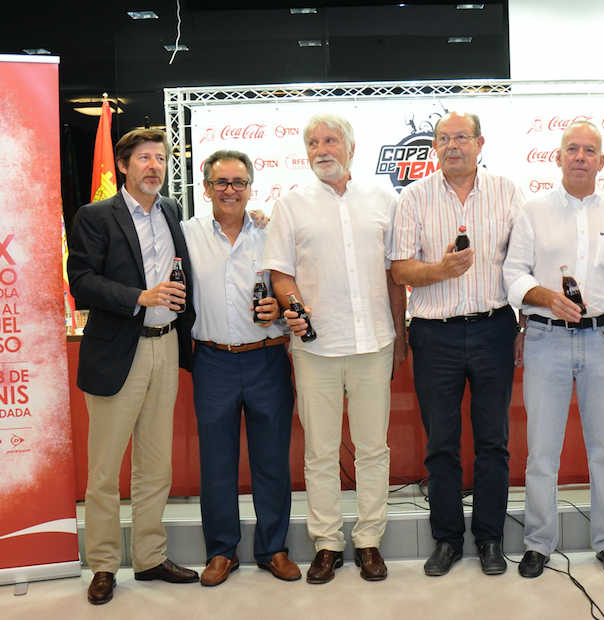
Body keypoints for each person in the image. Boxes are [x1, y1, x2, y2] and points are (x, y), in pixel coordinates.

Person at [502, 121, 604, 578]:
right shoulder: (532, 211)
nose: (580, 157)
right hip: (546, 339)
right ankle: (538, 543)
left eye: (589, 150)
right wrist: (547, 298)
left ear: (601, 161)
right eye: (572, 149)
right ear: (558, 157)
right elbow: (513, 274)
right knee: (541, 452)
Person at [261, 113, 407, 584]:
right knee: (320, 452)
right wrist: (293, 305)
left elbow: (395, 274)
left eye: (330, 140)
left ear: (351, 147)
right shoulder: (290, 205)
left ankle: (369, 541)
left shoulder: (384, 200)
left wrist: (400, 335)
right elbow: (280, 273)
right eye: (313, 142)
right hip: (314, 349)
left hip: (374, 344)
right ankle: (326, 543)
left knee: (373, 449)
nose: (322, 149)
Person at [67, 128, 199, 604]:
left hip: (165, 347)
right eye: (144, 158)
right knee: (104, 471)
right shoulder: (95, 216)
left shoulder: (171, 211)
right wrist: (139, 297)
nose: (154, 166)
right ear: (123, 165)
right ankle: (103, 565)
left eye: (160, 158)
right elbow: (81, 281)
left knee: (155, 464)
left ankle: (149, 557)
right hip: (117, 352)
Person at [389, 111, 523, 577]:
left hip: (493, 328)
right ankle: (446, 539)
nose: (452, 146)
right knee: (441, 443)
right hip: (435, 334)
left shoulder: (507, 192)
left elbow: (524, 264)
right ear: (435, 147)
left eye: (461, 137)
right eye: (443, 139)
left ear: (479, 143)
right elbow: (400, 269)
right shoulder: (414, 197)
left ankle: (490, 538)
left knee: (493, 441)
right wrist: (438, 271)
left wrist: (523, 324)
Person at [182, 149, 301, 586]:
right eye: (221, 182)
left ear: (251, 187)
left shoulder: (272, 233)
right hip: (212, 360)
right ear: (206, 187)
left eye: (238, 183)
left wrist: (279, 310)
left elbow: (294, 287)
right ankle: (221, 552)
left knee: (272, 460)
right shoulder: (187, 234)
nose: (230, 190)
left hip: (267, 359)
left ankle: (273, 549)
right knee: (217, 463)